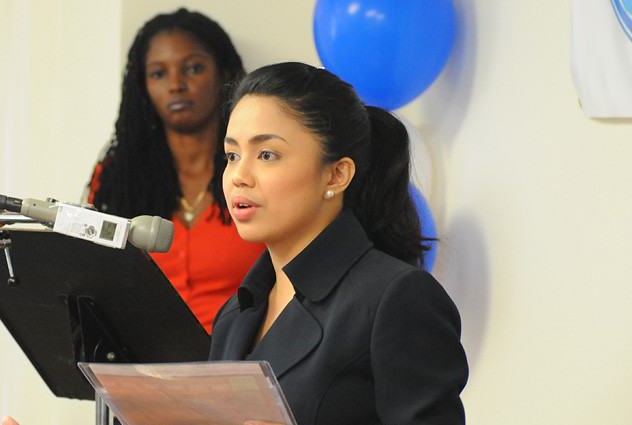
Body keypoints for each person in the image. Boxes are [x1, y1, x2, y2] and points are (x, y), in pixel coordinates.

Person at [209, 62, 469, 424]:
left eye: (267, 154)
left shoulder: (397, 298)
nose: (238, 176)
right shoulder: (235, 315)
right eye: (232, 156)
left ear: (336, 174)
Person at [87, 8, 265, 333]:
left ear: (225, 74)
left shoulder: (258, 173)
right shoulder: (116, 179)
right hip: (141, 373)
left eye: (193, 68)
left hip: (241, 367)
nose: (176, 85)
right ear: (143, 87)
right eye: (158, 73)